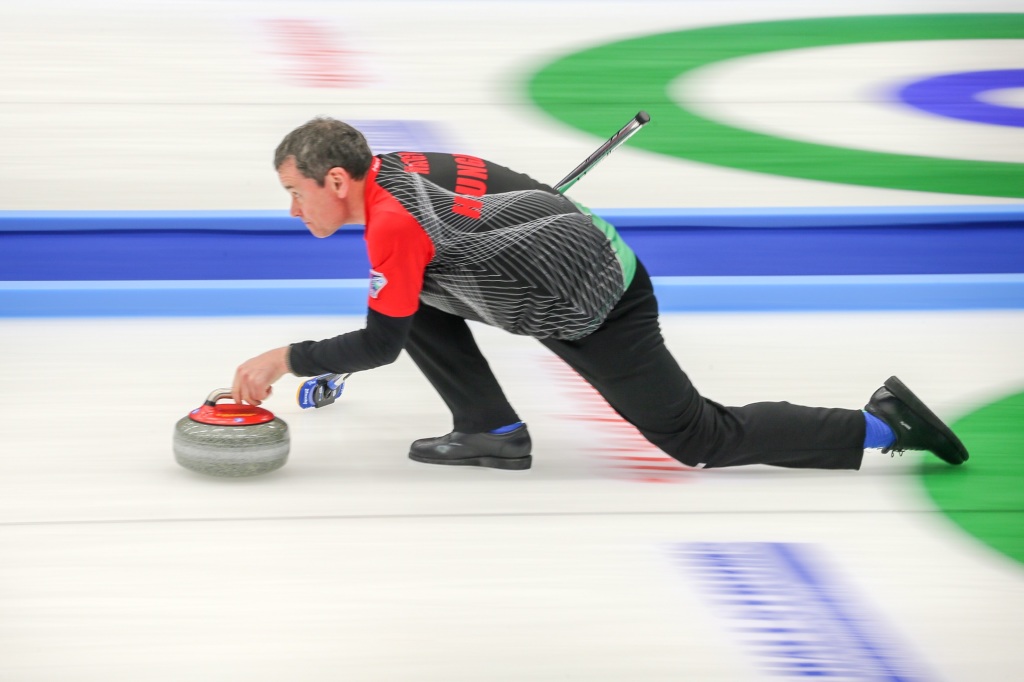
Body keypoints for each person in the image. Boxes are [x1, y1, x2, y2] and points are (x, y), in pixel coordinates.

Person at [231, 117, 969, 472]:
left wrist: (285, 359)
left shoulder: (394, 225)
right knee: (411, 293)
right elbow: (483, 178)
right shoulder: (394, 167)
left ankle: (881, 424)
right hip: (547, 274)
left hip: (596, 300)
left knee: (696, 439)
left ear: (337, 179)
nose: (293, 212)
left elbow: (382, 341)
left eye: (295, 193)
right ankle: (490, 429)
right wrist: (533, 221)